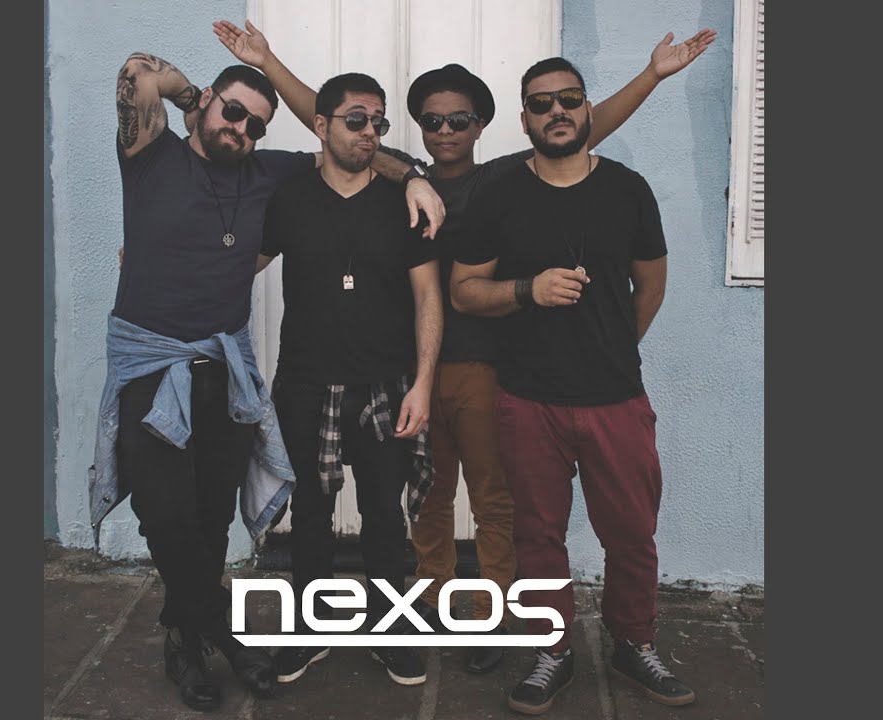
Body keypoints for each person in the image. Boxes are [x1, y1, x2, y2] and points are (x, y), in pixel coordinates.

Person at [212, 19, 714, 676]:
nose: (445, 131)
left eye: (459, 120)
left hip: (482, 367)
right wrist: (269, 63)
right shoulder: (394, 174)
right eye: (432, 121)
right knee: (424, 502)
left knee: (493, 499)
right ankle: (427, 605)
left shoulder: (502, 179)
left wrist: (650, 76)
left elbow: (579, 128)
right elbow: (335, 121)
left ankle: (489, 616)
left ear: (483, 126)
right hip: (406, 369)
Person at [88, 49, 446, 712]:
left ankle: (186, 643)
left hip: (225, 368)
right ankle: (228, 635)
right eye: (232, 113)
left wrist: (417, 176)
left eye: (256, 125)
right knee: (163, 511)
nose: (242, 131)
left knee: (211, 517)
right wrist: (193, 95)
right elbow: (139, 70)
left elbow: (350, 148)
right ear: (207, 104)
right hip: (152, 363)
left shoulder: (269, 173)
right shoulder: (151, 156)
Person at [450, 57, 694, 713]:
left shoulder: (628, 190)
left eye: (569, 98)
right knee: (538, 535)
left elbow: (652, 284)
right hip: (528, 397)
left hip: (616, 397)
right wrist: (527, 290)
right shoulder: (498, 194)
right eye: (541, 103)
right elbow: (464, 290)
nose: (556, 111)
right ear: (524, 117)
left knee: (632, 533)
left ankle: (633, 642)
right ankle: (551, 650)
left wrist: (612, 347)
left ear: (586, 109)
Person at [255, 72, 443, 688]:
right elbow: (238, 265)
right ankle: (311, 632)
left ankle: (390, 632)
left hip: (386, 385)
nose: (369, 132)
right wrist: (164, 262)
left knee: (384, 517)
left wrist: (422, 383)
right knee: (310, 516)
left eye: (378, 122)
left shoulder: (404, 202)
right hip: (305, 384)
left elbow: (428, 297)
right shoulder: (289, 199)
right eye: (356, 119)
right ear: (321, 125)